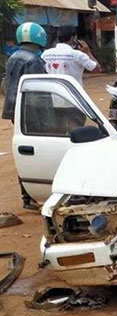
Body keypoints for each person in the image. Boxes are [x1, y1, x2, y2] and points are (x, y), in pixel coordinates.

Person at [2, 22, 48, 210]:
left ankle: (26, 197)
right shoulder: (33, 61)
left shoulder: (13, 57)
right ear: (40, 37)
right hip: (32, 113)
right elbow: (39, 91)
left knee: (25, 153)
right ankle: (32, 195)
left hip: (15, 110)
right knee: (38, 153)